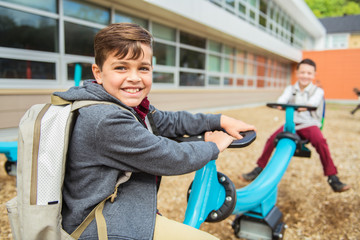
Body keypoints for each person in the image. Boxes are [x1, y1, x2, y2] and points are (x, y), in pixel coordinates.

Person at [56, 23, 255, 240]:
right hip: (100, 226)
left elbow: (167, 120)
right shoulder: (105, 118)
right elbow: (168, 157)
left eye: (143, 68)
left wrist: (220, 120)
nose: (134, 77)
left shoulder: (124, 106)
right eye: (121, 68)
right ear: (99, 73)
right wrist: (213, 146)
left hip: (118, 211)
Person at [242, 58, 350, 193]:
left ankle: (332, 177)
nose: (305, 76)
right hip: (291, 122)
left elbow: (312, 104)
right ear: (297, 73)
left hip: (308, 124)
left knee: (321, 141)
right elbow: (281, 100)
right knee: (271, 139)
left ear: (314, 75)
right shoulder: (290, 89)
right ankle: (259, 168)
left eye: (309, 73)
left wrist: (298, 107)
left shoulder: (317, 91)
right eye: (302, 72)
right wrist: (281, 104)